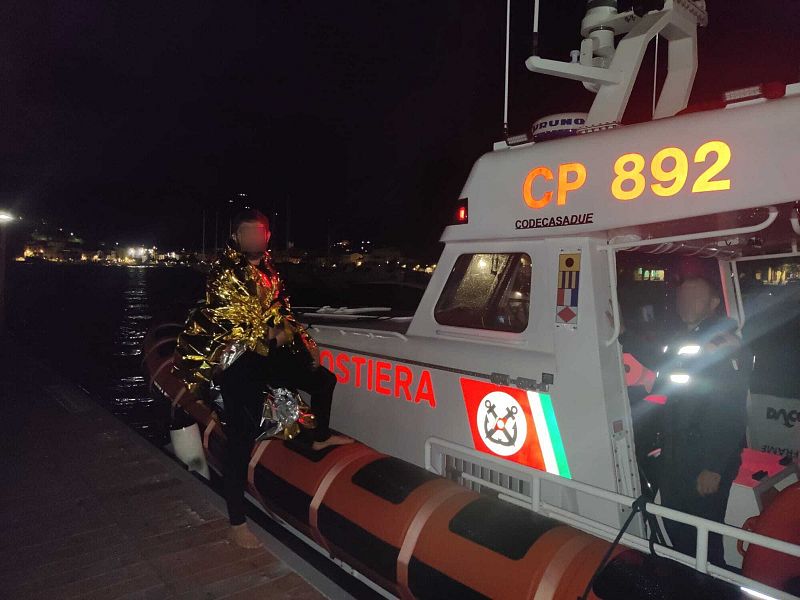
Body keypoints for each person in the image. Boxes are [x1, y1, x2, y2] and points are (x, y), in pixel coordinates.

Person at [173, 209, 352, 548]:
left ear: (267, 236)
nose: (254, 237)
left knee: (323, 380)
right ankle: (236, 522)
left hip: (268, 352)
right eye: (247, 231)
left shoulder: (270, 269)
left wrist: (305, 343)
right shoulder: (224, 272)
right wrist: (277, 336)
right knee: (242, 437)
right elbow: (235, 322)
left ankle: (318, 437)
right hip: (237, 359)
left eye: (259, 231)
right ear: (236, 237)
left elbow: (283, 311)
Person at [655, 276, 749, 567]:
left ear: (713, 304)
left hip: (703, 460)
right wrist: (624, 336)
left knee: (703, 541)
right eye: (683, 296)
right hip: (679, 455)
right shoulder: (686, 340)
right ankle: (688, 583)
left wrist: (714, 466)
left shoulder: (720, 342)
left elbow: (730, 409)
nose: (686, 302)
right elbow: (664, 371)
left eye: (695, 297)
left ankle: (708, 586)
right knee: (679, 531)